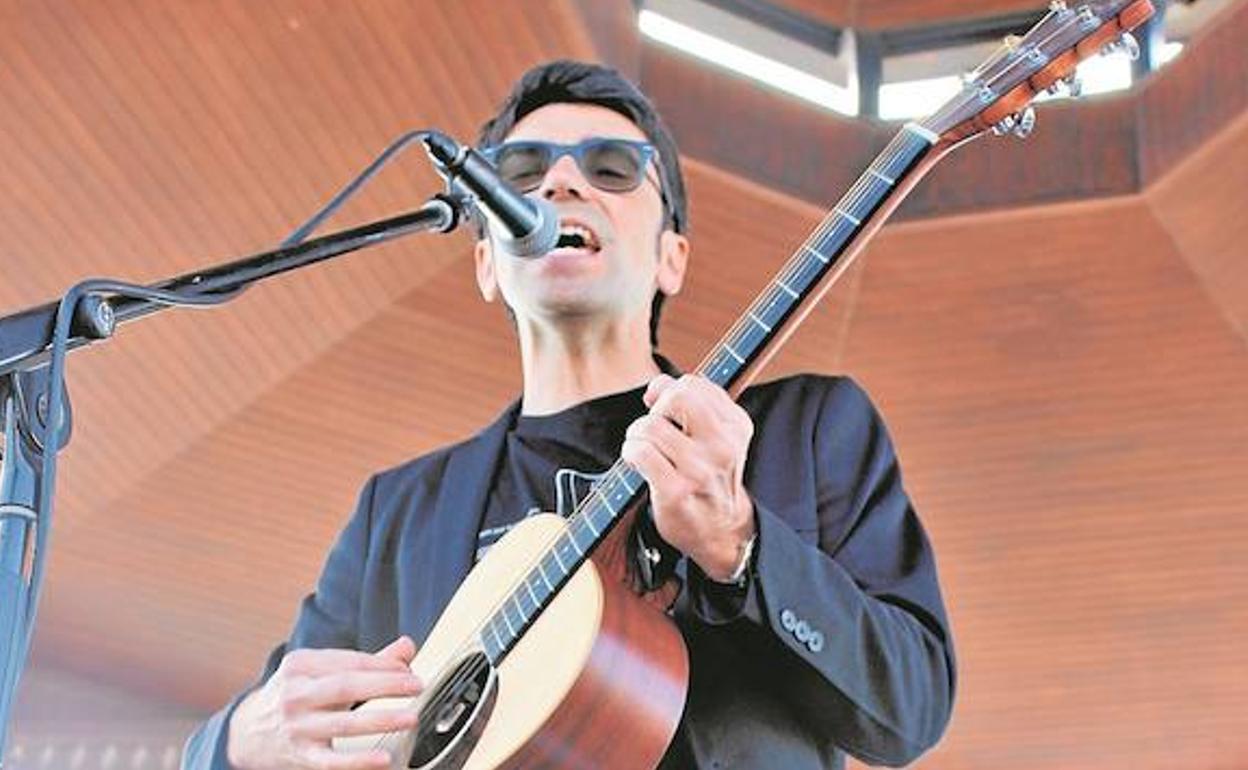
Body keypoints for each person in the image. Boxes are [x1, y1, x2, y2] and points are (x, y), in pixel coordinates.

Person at [183, 59, 955, 770]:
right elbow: (288, 725)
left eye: (611, 169)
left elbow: (910, 707)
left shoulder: (807, 432)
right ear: (486, 260)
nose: (559, 181)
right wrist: (238, 740)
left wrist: (741, 546)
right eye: (518, 173)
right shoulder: (398, 513)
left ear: (670, 257)